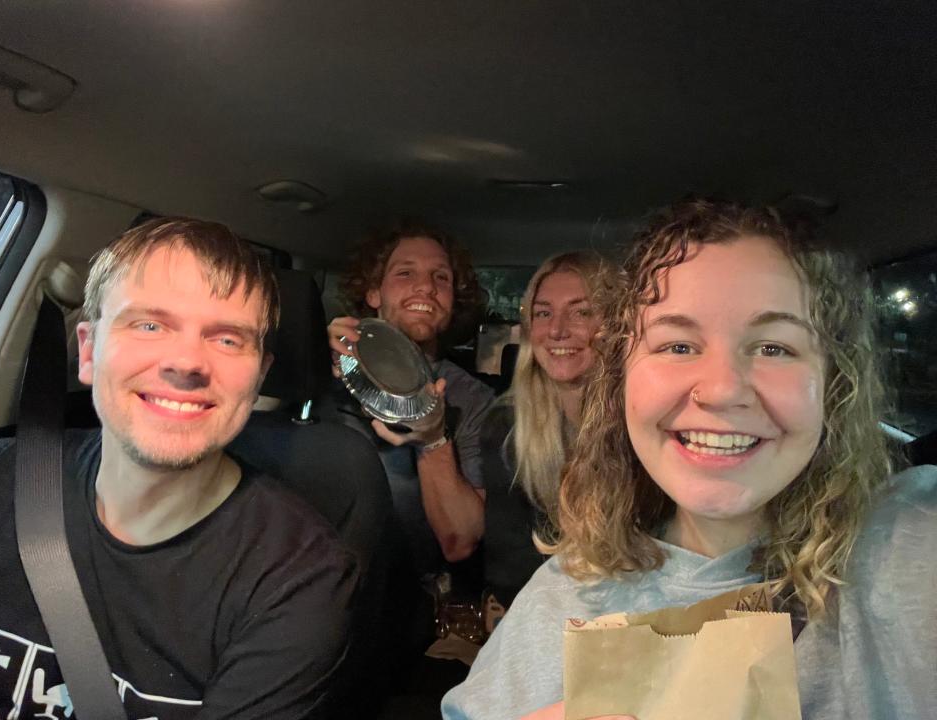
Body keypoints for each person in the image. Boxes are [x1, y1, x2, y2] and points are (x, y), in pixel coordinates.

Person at [442, 199, 937, 720]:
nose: (723, 390)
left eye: (773, 348)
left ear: (834, 384)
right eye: (677, 345)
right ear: (621, 379)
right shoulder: (562, 597)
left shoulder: (908, 541)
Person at [0, 218, 357, 719]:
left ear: (259, 376)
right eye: (150, 325)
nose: (187, 361)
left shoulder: (298, 578)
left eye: (227, 339)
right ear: (88, 352)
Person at [326, 220, 494, 583]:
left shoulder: (474, 399)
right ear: (374, 292)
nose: (425, 287)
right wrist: (309, 361)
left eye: (441, 278)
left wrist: (433, 439)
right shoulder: (326, 365)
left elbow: (460, 542)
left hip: (410, 588)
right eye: (405, 273)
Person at [481, 251, 612, 609]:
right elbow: (510, 569)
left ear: (615, 324)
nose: (557, 330)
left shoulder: (646, 422)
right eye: (543, 313)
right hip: (544, 612)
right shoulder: (507, 425)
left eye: (581, 312)